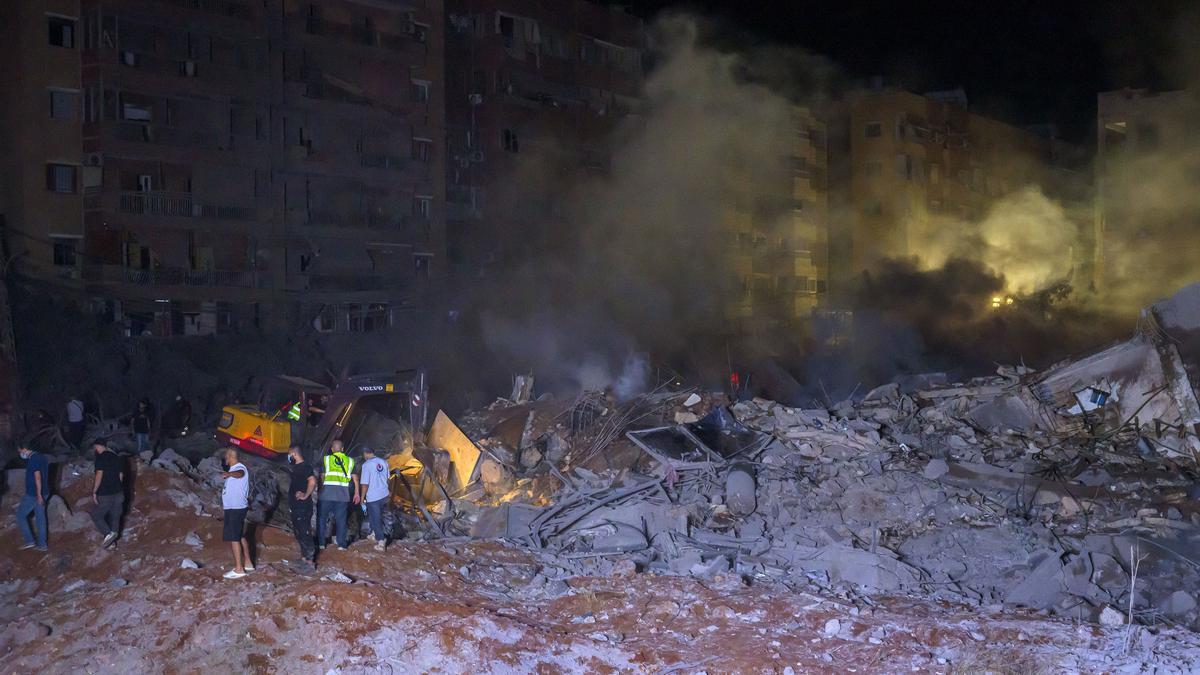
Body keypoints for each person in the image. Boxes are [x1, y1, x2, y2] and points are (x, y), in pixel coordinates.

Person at [316, 440, 359, 551]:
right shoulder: (350, 461)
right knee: (341, 521)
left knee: (322, 519)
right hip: (342, 495)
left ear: (332, 449)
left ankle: (321, 543)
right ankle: (341, 545)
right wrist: (357, 493)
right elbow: (355, 479)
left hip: (327, 494)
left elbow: (322, 477)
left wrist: (320, 490)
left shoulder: (327, 459)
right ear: (342, 449)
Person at [218, 447, 254, 579]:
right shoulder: (233, 470)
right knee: (239, 535)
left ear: (230, 456)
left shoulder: (239, 468)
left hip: (235, 509)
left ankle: (239, 569)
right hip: (234, 508)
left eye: (226, 456)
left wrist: (229, 474)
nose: (225, 459)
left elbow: (240, 474)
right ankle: (248, 563)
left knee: (234, 537)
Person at [91, 441, 125, 548]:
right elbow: (120, 475)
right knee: (115, 515)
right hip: (118, 493)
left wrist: (95, 491)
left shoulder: (100, 458)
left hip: (105, 494)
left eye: (95, 447)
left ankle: (108, 534)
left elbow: (99, 475)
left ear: (98, 446)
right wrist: (118, 486)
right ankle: (112, 543)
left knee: (96, 515)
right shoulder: (116, 457)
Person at [287, 445, 317, 569]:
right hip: (296, 507)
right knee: (299, 532)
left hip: (303, 507)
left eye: (289, 454)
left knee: (304, 533)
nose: (288, 457)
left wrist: (305, 495)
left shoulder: (305, 467)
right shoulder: (296, 468)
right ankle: (304, 558)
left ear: (294, 454)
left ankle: (310, 562)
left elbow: (313, 481)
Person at [15, 444, 49, 551]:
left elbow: (37, 477)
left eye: (20, 451)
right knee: (40, 518)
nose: (20, 453)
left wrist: (38, 495)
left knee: (20, 515)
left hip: (33, 494)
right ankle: (42, 544)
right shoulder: (42, 457)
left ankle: (29, 540)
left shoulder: (33, 459)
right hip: (45, 492)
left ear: (25, 449)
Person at [358, 446, 390, 552]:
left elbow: (364, 484)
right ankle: (373, 534)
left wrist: (362, 498)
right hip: (384, 495)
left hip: (374, 496)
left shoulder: (366, 465)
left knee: (376, 518)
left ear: (365, 454)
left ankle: (381, 541)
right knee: (373, 514)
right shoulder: (384, 462)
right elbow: (387, 478)